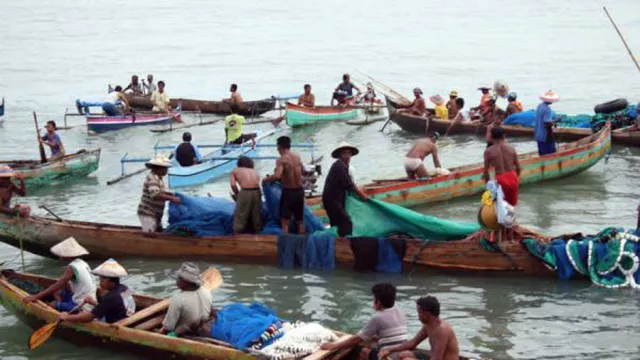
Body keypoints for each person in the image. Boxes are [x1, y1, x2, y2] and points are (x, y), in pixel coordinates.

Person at [320, 283, 408, 359]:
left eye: (373, 299)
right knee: (369, 343)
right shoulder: (398, 310)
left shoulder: (377, 317)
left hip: (389, 357)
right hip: (402, 351)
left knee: (363, 351)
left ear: (378, 302)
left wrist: (333, 346)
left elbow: (356, 340)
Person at [23, 237, 97, 312]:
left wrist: (36, 296)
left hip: (82, 305)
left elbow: (59, 284)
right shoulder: (82, 262)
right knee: (57, 292)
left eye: (61, 254)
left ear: (68, 255)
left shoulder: (72, 267)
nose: (59, 256)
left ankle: (61, 308)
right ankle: (62, 306)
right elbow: (64, 283)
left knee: (52, 304)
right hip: (88, 299)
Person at [56, 258, 136, 324]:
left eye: (101, 279)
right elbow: (115, 306)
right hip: (126, 318)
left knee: (82, 315)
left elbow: (89, 317)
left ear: (108, 280)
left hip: (113, 323)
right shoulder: (125, 288)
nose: (99, 282)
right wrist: (94, 303)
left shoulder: (111, 297)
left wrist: (67, 317)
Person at [378, 296, 459, 360]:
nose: (418, 317)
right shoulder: (429, 325)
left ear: (425, 314)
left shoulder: (441, 330)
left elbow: (437, 358)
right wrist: (389, 350)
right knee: (403, 354)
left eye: (419, 312)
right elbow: (413, 343)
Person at [322, 142, 369, 237]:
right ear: (340, 155)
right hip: (332, 200)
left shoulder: (344, 166)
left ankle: (337, 242)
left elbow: (348, 184)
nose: (347, 156)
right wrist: (363, 196)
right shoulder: (339, 166)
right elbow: (350, 185)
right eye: (344, 153)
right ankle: (346, 242)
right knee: (346, 222)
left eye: (349, 153)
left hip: (336, 199)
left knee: (336, 223)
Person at [263, 136, 305, 234]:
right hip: (299, 191)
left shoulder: (281, 160)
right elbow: (303, 171)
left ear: (279, 147)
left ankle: (286, 244)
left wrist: (266, 179)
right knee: (300, 220)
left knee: (285, 221)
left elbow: (277, 176)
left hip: (289, 192)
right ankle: (303, 243)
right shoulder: (297, 157)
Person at [159, 262, 213, 336]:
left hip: (184, 332)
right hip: (203, 327)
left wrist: (161, 333)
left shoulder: (178, 298)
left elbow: (169, 326)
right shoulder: (207, 291)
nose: (176, 280)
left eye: (179, 278)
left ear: (186, 282)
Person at [137, 155, 181, 232]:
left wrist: (173, 195)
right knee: (150, 235)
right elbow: (155, 195)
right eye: (165, 168)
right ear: (158, 168)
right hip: (147, 212)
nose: (166, 170)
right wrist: (172, 198)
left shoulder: (159, 178)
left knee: (159, 232)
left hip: (156, 213)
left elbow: (161, 192)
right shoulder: (153, 178)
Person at [483, 126, 521, 207]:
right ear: (504, 136)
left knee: (501, 207)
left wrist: (488, 185)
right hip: (512, 176)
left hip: (500, 178)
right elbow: (518, 168)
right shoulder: (511, 148)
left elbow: (486, 172)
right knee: (511, 206)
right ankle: (512, 219)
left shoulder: (488, 151)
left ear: (492, 137)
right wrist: (515, 177)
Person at [230, 156, 262, 234]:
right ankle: (258, 232)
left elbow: (233, 185)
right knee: (256, 214)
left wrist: (237, 194)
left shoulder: (235, 170)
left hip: (245, 191)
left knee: (240, 214)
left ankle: (236, 233)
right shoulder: (254, 171)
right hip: (257, 191)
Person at [535, 90, 560, 156]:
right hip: (545, 135)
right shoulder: (547, 109)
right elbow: (546, 122)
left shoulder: (539, 106)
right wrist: (556, 120)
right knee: (550, 153)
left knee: (542, 153)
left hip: (538, 133)